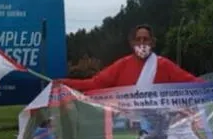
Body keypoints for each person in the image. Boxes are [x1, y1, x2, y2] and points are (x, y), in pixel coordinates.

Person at [59, 24, 201, 92]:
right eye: (138, 39)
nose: (142, 43)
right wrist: (63, 83)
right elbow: (95, 84)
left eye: (146, 39)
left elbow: (191, 82)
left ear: (152, 42)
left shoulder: (164, 65)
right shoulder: (122, 65)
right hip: (129, 125)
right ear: (132, 43)